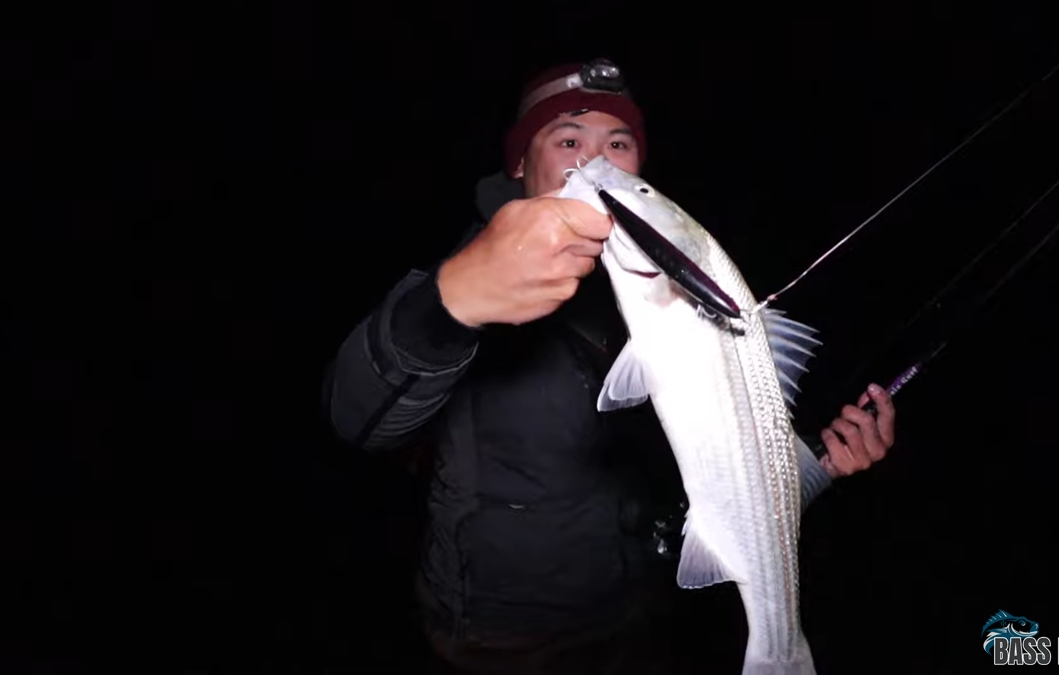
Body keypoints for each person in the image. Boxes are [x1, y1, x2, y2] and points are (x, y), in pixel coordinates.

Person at [322, 59, 897, 674]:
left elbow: (713, 449)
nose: (594, 163)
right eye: (568, 141)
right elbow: (356, 420)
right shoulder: (458, 274)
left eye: (617, 145)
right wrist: (449, 304)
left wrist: (813, 465)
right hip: (500, 639)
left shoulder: (642, 285)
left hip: (637, 613)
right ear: (520, 164)